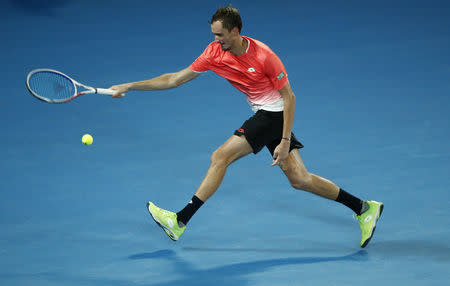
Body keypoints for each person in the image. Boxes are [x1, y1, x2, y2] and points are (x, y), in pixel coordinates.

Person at [109, 6, 383, 248]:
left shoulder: (264, 56)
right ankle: (363, 208)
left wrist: (285, 140)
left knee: (220, 157)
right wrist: (130, 85)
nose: (215, 40)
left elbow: (290, 97)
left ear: (236, 31)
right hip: (267, 117)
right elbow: (174, 79)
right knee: (300, 179)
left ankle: (179, 220)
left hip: (273, 116)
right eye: (213, 35)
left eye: (220, 35)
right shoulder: (214, 53)